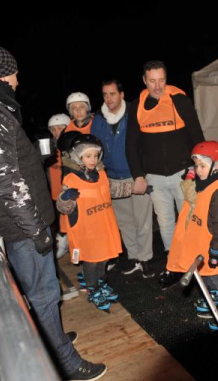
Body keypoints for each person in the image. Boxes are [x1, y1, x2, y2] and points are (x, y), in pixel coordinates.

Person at [0, 44, 105, 380]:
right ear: (2, 73)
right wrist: (36, 228)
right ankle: (64, 361)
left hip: (19, 222)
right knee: (44, 294)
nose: (18, 81)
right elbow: (4, 180)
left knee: (42, 294)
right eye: (15, 73)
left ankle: (51, 339)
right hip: (22, 226)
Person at [126, 60, 205, 288]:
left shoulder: (180, 100)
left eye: (161, 80)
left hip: (183, 173)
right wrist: (138, 175)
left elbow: (196, 136)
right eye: (152, 81)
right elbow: (131, 145)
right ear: (144, 80)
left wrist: (198, 168)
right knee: (166, 221)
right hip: (154, 177)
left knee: (189, 219)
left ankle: (196, 265)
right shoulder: (137, 106)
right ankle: (174, 265)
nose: (158, 86)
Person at [166, 141, 218, 328]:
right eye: (196, 165)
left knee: (216, 275)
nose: (198, 170)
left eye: (202, 166)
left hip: (216, 245)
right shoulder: (205, 183)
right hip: (203, 243)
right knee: (205, 274)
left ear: (217, 166)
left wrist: (216, 250)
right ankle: (214, 296)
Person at [91, 79, 154, 278]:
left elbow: (144, 144)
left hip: (135, 175)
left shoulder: (133, 114)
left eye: (112, 94)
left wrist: (142, 173)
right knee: (125, 222)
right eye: (105, 95)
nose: (109, 98)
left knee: (142, 220)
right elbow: (95, 148)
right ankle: (134, 256)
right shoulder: (99, 119)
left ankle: (145, 259)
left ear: (121, 94)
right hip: (113, 178)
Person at [57, 133, 122, 312]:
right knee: (92, 262)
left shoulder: (101, 174)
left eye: (95, 155)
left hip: (104, 226)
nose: (92, 160)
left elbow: (113, 189)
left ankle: (101, 284)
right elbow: (63, 207)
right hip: (87, 230)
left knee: (104, 259)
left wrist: (134, 188)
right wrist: (65, 197)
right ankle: (93, 289)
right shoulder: (71, 179)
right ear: (78, 156)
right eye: (88, 156)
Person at [46, 113, 71, 258]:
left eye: (60, 128)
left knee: (68, 220)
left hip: (66, 192)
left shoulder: (70, 146)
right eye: (53, 129)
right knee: (56, 222)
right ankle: (61, 242)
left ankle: (68, 242)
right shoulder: (48, 148)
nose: (56, 132)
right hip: (53, 192)